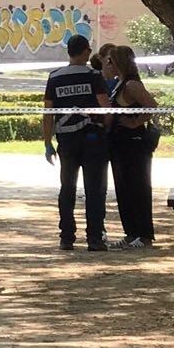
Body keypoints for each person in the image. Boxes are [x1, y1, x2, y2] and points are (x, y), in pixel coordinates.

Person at [43, 34, 113, 251]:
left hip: (66, 140)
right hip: (93, 139)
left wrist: (47, 143)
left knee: (67, 187)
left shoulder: (55, 77)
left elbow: (48, 112)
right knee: (95, 188)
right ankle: (95, 238)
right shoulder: (94, 76)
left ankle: (66, 236)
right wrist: (108, 129)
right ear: (85, 52)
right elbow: (104, 106)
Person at [103, 44, 160, 249]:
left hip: (134, 144)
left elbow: (152, 106)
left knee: (138, 188)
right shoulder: (118, 83)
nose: (108, 64)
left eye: (111, 61)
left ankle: (144, 235)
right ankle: (131, 232)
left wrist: (135, 122)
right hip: (119, 144)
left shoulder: (132, 85)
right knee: (124, 189)